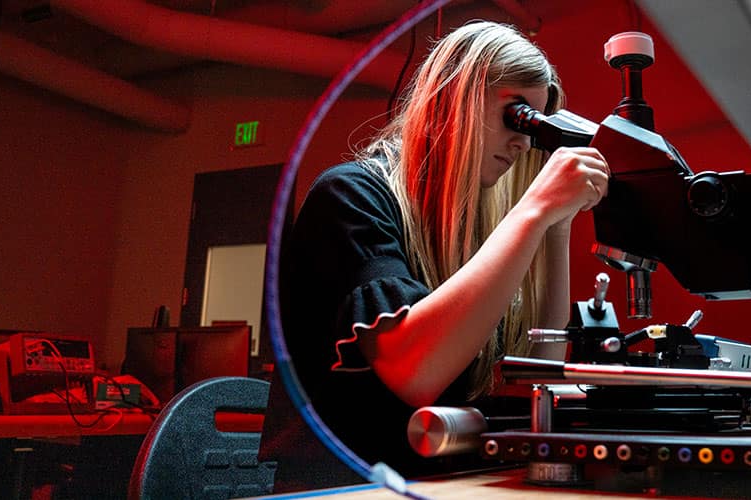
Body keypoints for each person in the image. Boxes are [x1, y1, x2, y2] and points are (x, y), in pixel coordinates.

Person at [259, 20, 609, 489]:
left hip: (438, 480)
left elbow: (537, 369)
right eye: (517, 114)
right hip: (340, 485)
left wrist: (556, 226)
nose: (525, 141)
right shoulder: (351, 197)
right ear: (455, 97)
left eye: (535, 127)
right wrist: (532, 212)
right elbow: (415, 372)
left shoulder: (471, 232)